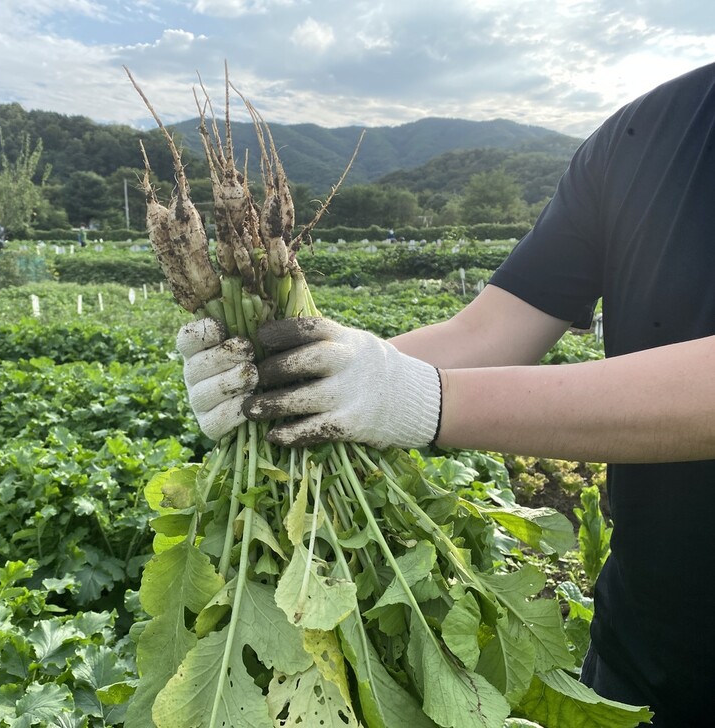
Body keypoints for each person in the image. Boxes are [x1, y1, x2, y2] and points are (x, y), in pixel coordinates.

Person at [176, 63, 715, 727]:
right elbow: (489, 329)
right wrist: (305, 376)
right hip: (645, 662)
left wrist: (427, 401)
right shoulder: (645, 132)